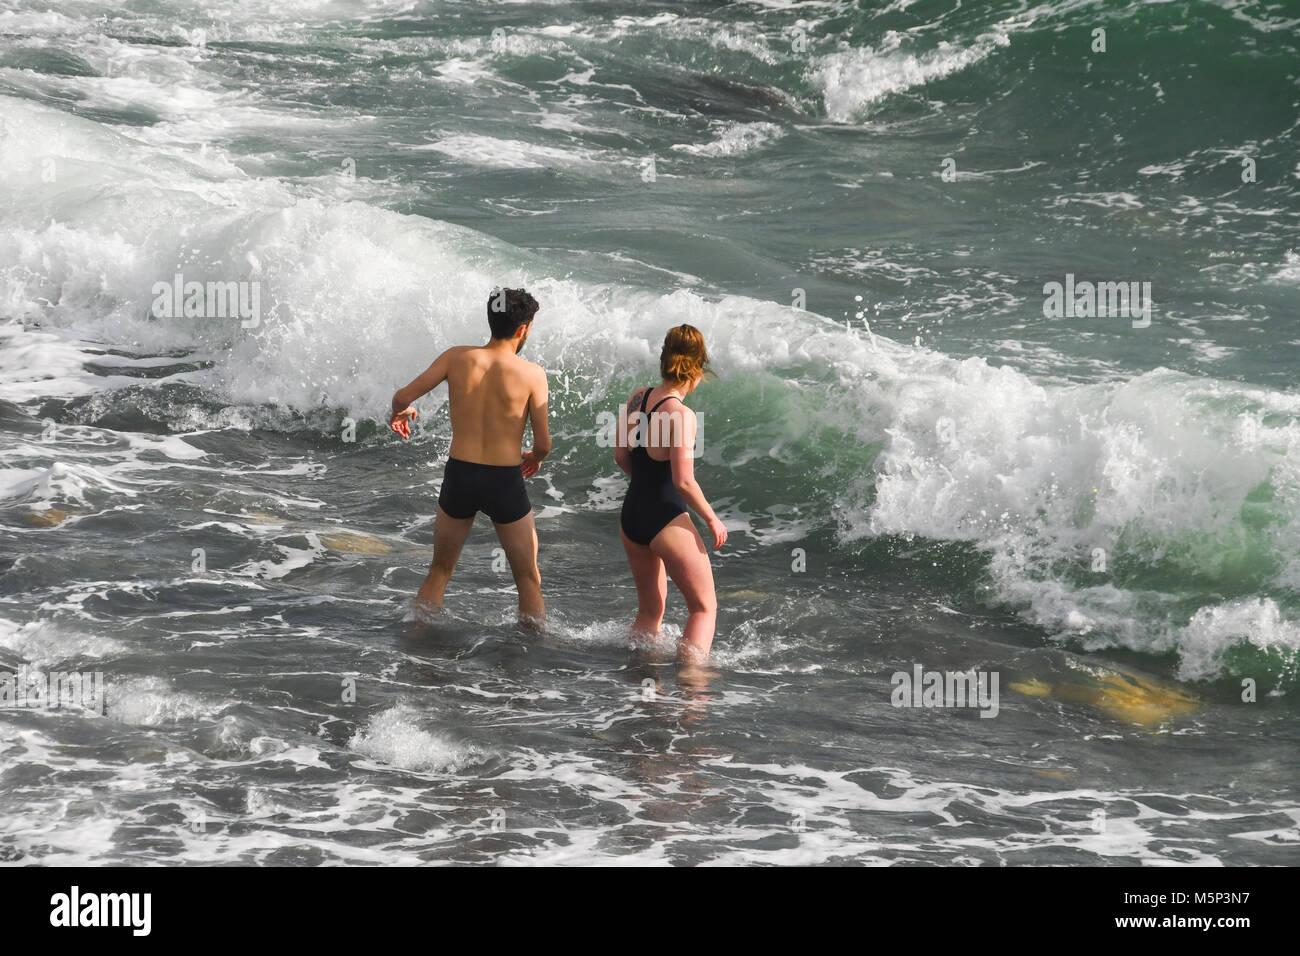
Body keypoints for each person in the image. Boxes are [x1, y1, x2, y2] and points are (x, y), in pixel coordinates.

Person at [389, 288, 550, 621]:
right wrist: (534, 457)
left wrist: (399, 412)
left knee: (440, 569)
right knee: (527, 580)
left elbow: (403, 395)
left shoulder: (456, 357)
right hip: (504, 479)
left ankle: (418, 643)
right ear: (523, 329)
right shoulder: (532, 374)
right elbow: (544, 444)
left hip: (460, 474)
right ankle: (531, 660)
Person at [615, 324, 726, 663]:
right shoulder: (682, 415)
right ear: (697, 368)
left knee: (650, 612)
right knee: (703, 608)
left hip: (632, 514)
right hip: (665, 516)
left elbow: (620, 455)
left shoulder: (638, 397)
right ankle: (691, 693)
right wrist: (711, 518)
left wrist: (646, 489)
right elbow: (684, 482)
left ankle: (641, 685)